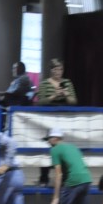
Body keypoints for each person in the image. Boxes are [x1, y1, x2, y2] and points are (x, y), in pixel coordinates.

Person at [35, 58, 78, 186]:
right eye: (55, 69)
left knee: (63, 148)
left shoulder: (67, 83)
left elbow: (74, 101)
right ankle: (44, 177)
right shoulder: (44, 84)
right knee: (46, 148)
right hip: (47, 120)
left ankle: (64, 177)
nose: (57, 72)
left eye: (60, 69)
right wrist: (53, 96)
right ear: (50, 70)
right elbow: (40, 101)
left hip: (64, 120)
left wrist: (65, 95)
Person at [45, 128, 92, 204]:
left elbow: (59, 174)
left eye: (48, 139)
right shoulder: (73, 147)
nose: (48, 142)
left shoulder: (55, 149)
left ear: (55, 138)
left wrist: (56, 198)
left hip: (74, 181)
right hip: (87, 180)